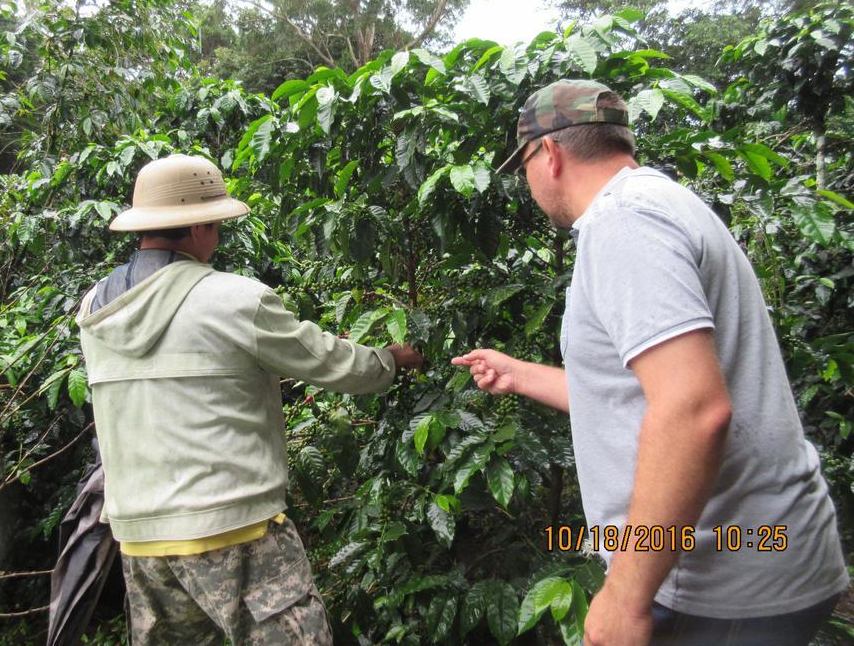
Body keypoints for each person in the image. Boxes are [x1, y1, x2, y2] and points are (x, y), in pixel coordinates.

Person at [452, 80, 848, 646]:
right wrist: (519, 374)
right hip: (763, 554)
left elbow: (692, 410)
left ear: (552, 155)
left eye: (526, 167)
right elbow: (641, 395)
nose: (531, 185)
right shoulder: (662, 202)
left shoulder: (623, 223)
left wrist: (626, 595)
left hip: (722, 582)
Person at [76, 153, 422, 645]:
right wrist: (389, 359)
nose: (217, 238)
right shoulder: (235, 299)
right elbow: (329, 362)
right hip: (235, 531)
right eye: (215, 224)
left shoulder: (94, 307)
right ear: (196, 226)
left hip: (140, 541)